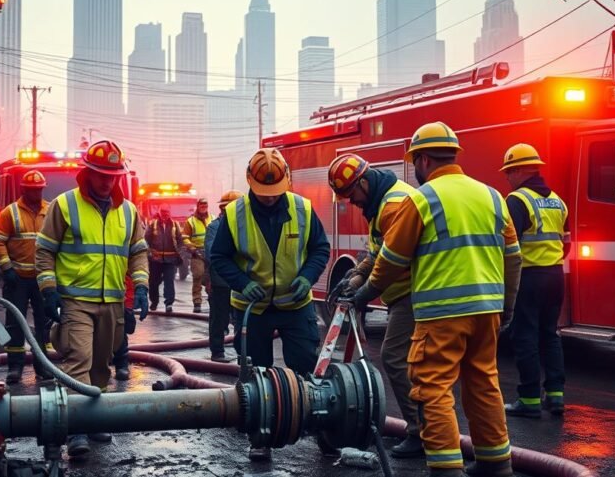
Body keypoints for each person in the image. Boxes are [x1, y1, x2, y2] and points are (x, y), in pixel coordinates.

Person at [353, 122, 521, 477]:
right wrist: (507, 306)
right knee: (483, 383)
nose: (415, 169)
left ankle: (446, 468)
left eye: (415, 161)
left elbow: (392, 259)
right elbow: (514, 256)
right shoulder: (492, 196)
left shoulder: (421, 200)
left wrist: (367, 292)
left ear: (424, 160)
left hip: (441, 314)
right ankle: (495, 463)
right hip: (487, 310)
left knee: (432, 387)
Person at [211, 148, 330, 462]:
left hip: (295, 304)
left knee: (307, 366)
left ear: (286, 183)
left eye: (273, 193)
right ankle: (259, 436)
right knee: (255, 374)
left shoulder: (302, 208)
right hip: (254, 308)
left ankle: (321, 429)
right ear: (250, 183)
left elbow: (320, 248)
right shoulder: (235, 214)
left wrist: (308, 276)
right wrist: (242, 282)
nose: (268, 198)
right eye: (262, 193)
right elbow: (219, 257)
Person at [35, 140, 150, 457]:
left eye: (113, 175)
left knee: (101, 368)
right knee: (79, 362)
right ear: (88, 172)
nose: (107, 181)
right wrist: (48, 289)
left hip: (111, 302)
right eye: (101, 174)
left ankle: (95, 419)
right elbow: (45, 251)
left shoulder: (128, 212)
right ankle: (76, 429)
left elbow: (138, 253)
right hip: (75, 301)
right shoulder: (65, 205)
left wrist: (141, 287)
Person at [326, 153, 423, 458]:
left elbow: (392, 260)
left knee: (393, 357)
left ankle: (419, 433)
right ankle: (427, 429)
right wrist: (354, 277)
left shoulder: (393, 204)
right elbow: (378, 251)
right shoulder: (381, 202)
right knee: (416, 364)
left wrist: (365, 291)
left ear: (364, 182)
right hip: (406, 293)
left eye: (351, 193)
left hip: (413, 291)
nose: (350, 202)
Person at [499, 144, 570, 419]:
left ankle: (529, 399)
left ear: (519, 171)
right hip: (555, 275)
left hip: (528, 276)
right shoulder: (557, 200)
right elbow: (566, 243)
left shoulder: (517, 200)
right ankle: (556, 396)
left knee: (525, 335)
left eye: (509, 172)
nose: (507, 177)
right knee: (549, 335)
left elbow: (508, 244)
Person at [0, 169, 51, 383]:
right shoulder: (10, 212)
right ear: (24, 189)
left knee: (44, 324)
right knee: (15, 323)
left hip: (43, 280)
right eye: (33, 190)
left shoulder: (50, 210)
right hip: (17, 279)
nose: (37, 193)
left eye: (39, 189)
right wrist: (7, 268)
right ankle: (14, 367)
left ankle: (43, 366)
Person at [204, 190, 242, 362]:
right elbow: (212, 254)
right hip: (221, 281)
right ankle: (217, 352)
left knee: (241, 320)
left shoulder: (243, 225)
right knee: (219, 318)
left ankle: (244, 353)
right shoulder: (215, 227)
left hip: (240, 281)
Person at [145, 205, 183, 313]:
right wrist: (151, 252)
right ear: (159, 212)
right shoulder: (152, 224)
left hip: (170, 259)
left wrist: (179, 253)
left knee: (169, 281)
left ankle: (169, 304)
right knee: (153, 282)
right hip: (155, 260)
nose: (165, 214)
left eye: (166, 212)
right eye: (163, 212)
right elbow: (146, 241)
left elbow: (180, 240)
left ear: (169, 212)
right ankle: (154, 302)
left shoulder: (175, 224)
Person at [182, 198, 213, 313]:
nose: (203, 206)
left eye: (205, 204)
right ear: (198, 206)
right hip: (197, 253)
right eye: (201, 204)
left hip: (211, 252)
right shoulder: (190, 221)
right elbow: (185, 237)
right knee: (198, 276)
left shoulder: (213, 218)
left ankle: (212, 299)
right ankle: (197, 301)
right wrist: (192, 248)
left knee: (211, 277)